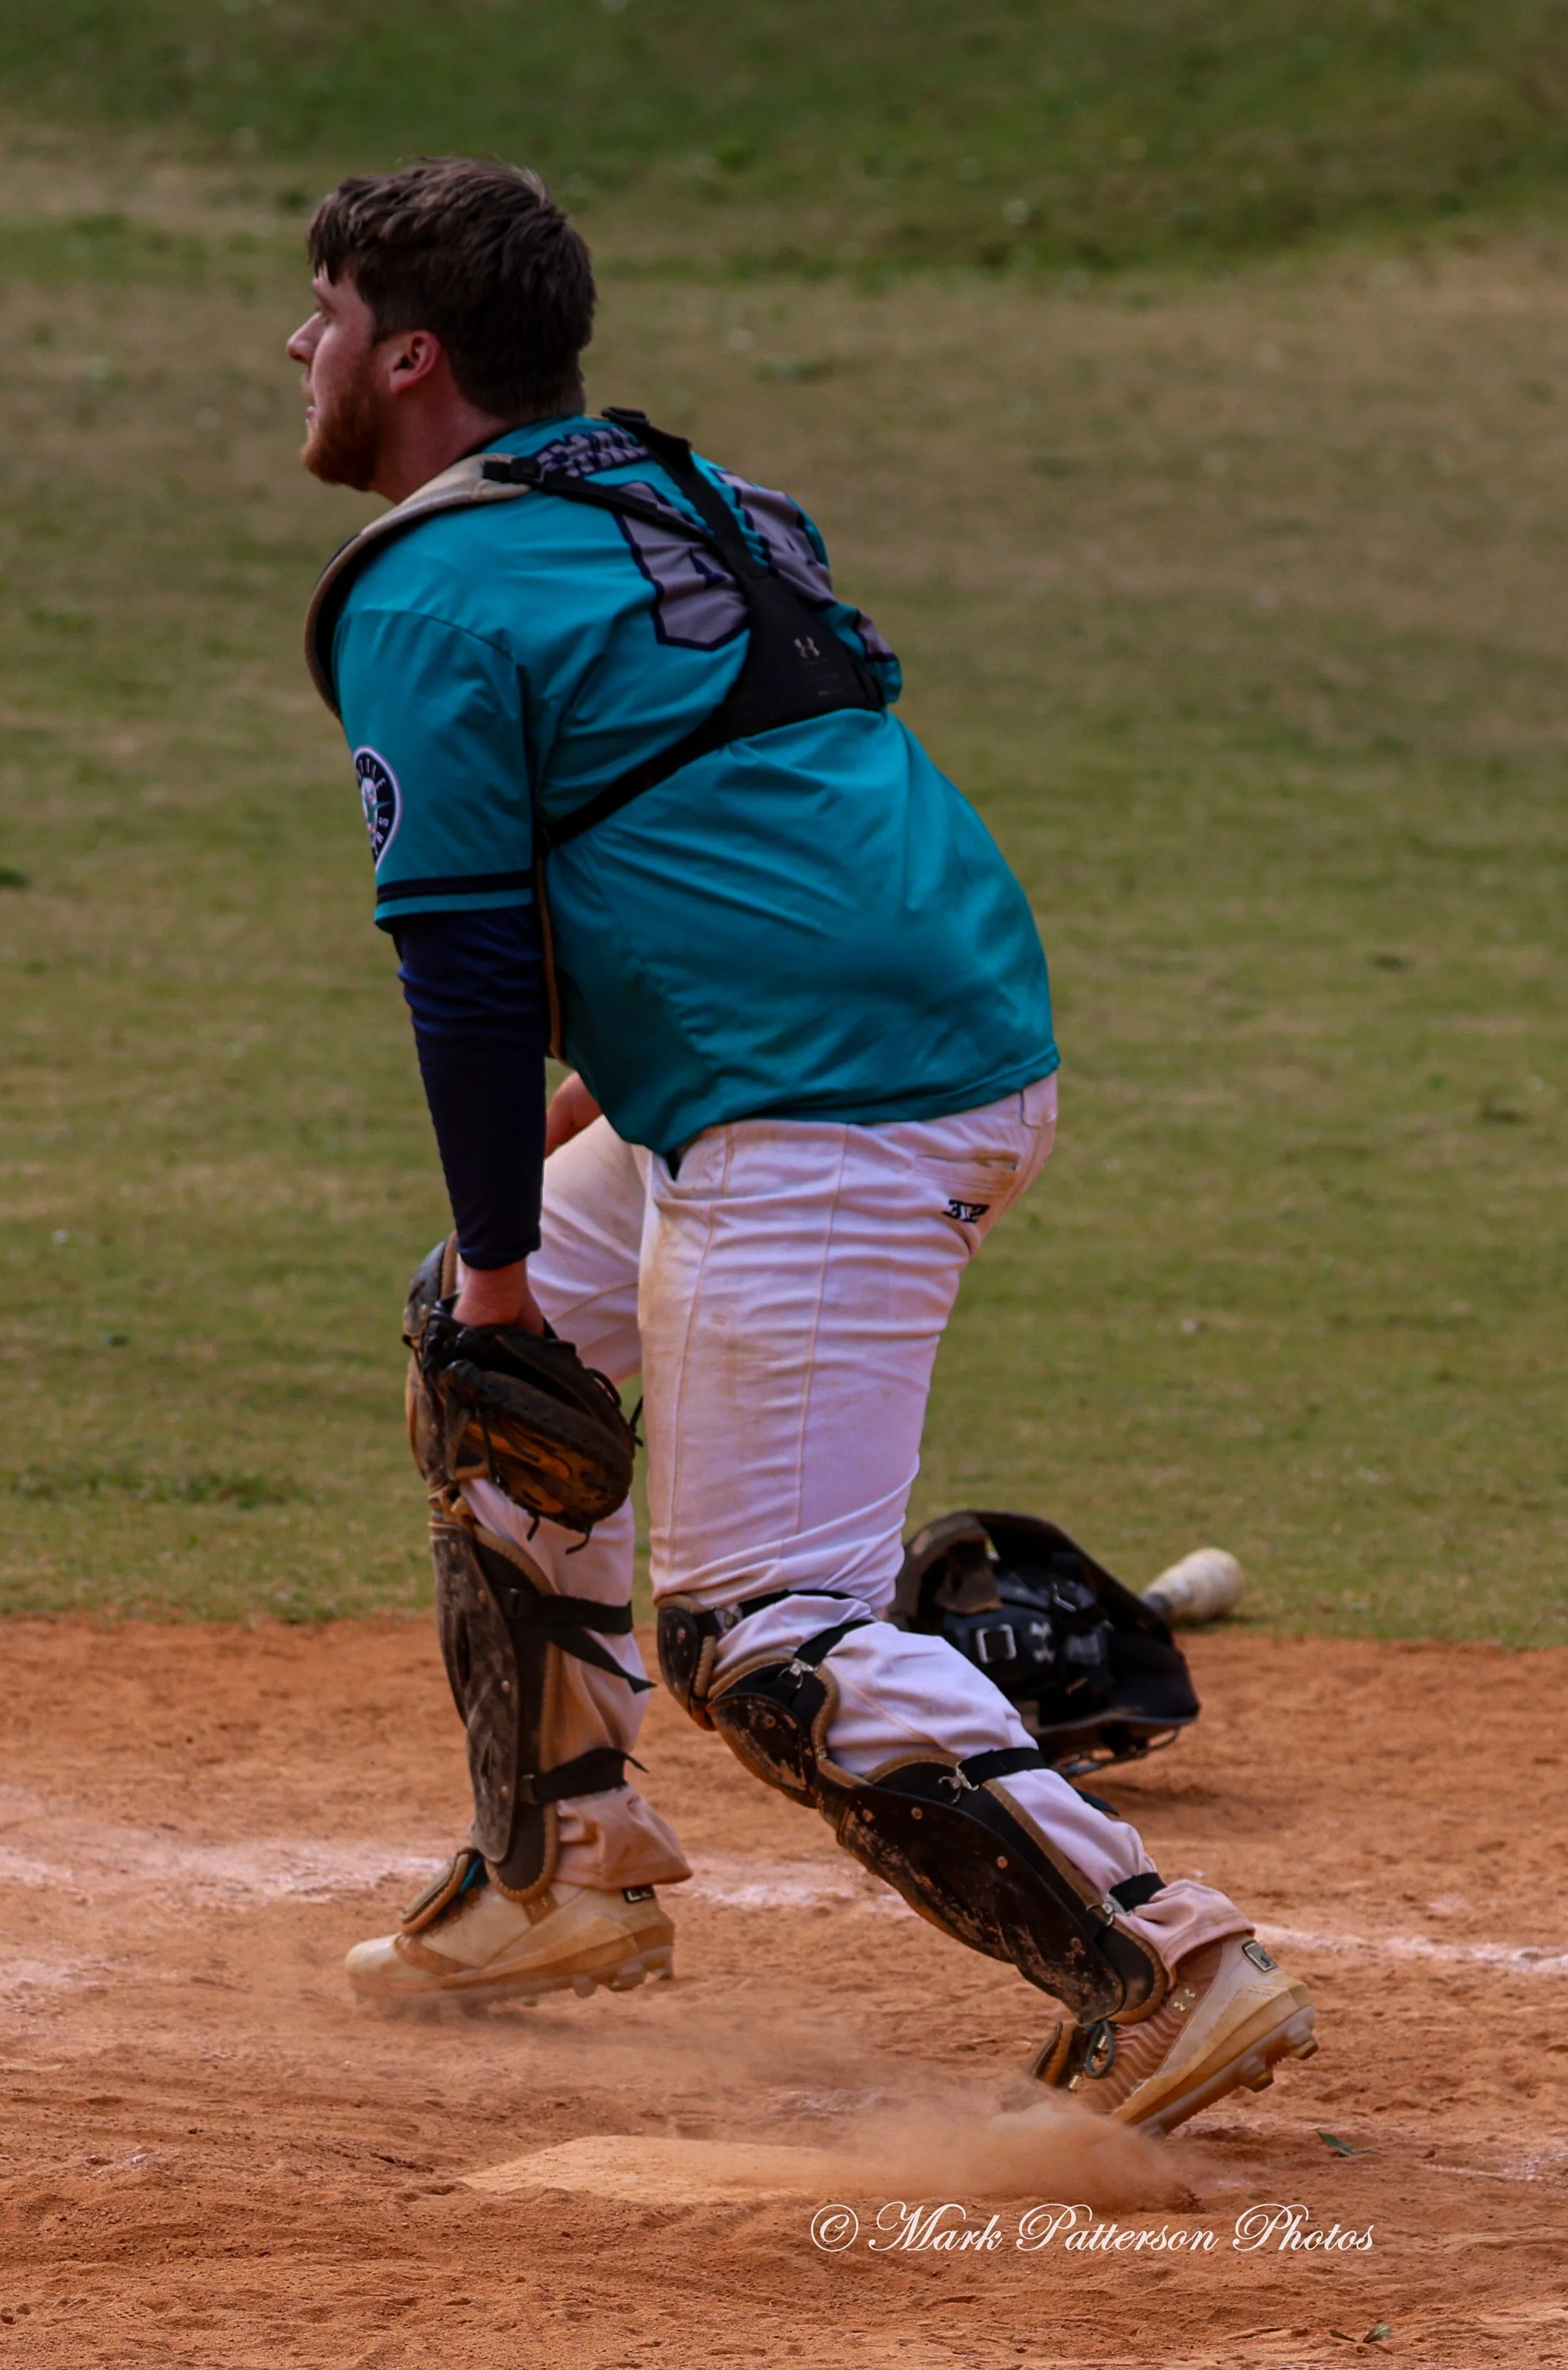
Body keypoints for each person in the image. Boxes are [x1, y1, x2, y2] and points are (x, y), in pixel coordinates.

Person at [286, 157, 1317, 2132]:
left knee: (760, 1623)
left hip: (837, 1101)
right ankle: (555, 1868)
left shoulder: (424, 588)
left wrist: (508, 1272)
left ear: (409, 358)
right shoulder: (699, 494)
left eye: (322, 316)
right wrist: (565, 1180)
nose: (296, 348)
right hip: (900, 1031)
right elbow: (736, 811)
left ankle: (1166, 1967)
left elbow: (470, 963)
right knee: (483, 1346)